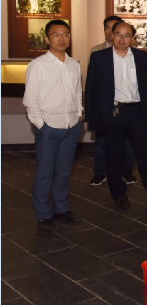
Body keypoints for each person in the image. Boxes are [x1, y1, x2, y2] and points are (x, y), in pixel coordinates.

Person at [85, 21, 147, 210]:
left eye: (127, 35)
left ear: (132, 38)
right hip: (113, 112)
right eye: (118, 34)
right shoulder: (99, 57)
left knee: (146, 155)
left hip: (137, 112)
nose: (122, 38)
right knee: (114, 156)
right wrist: (93, 116)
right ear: (111, 35)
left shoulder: (141, 56)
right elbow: (91, 87)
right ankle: (118, 194)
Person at [23, 20, 83, 231]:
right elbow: (30, 100)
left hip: (71, 126)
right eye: (56, 34)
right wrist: (42, 125)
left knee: (64, 172)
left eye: (65, 34)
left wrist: (79, 115)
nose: (61, 38)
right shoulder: (38, 65)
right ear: (47, 39)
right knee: (45, 173)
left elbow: (77, 93)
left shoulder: (74, 65)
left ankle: (61, 209)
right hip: (49, 128)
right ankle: (43, 214)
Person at [89, 15, 137, 187]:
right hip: (105, 107)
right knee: (101, 142)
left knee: (128, 142)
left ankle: (126, 171)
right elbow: (92, 82)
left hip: (128, 107)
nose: (111, 31)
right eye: (108, 28)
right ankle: (100, 172)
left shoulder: (134, 53)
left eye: (114, 28)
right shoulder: (96, 51)